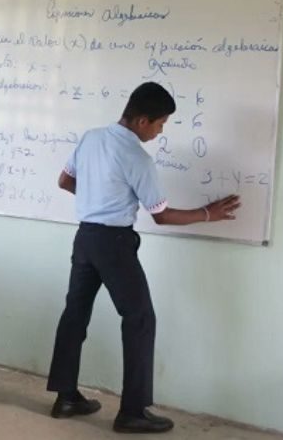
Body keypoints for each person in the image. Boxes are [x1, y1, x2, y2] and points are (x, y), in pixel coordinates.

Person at [46, 82, 240, 434]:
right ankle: (133, 411)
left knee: (75, 314)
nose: (161, 130)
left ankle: (66, 397)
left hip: (85, 238)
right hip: (115, 243)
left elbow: (64, 180)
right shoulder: (136, 157)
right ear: (141, 120)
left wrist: (96, 195)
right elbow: (161, 215)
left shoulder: (91, 138)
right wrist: (207, 213)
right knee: (139, 319)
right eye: (161, 123)